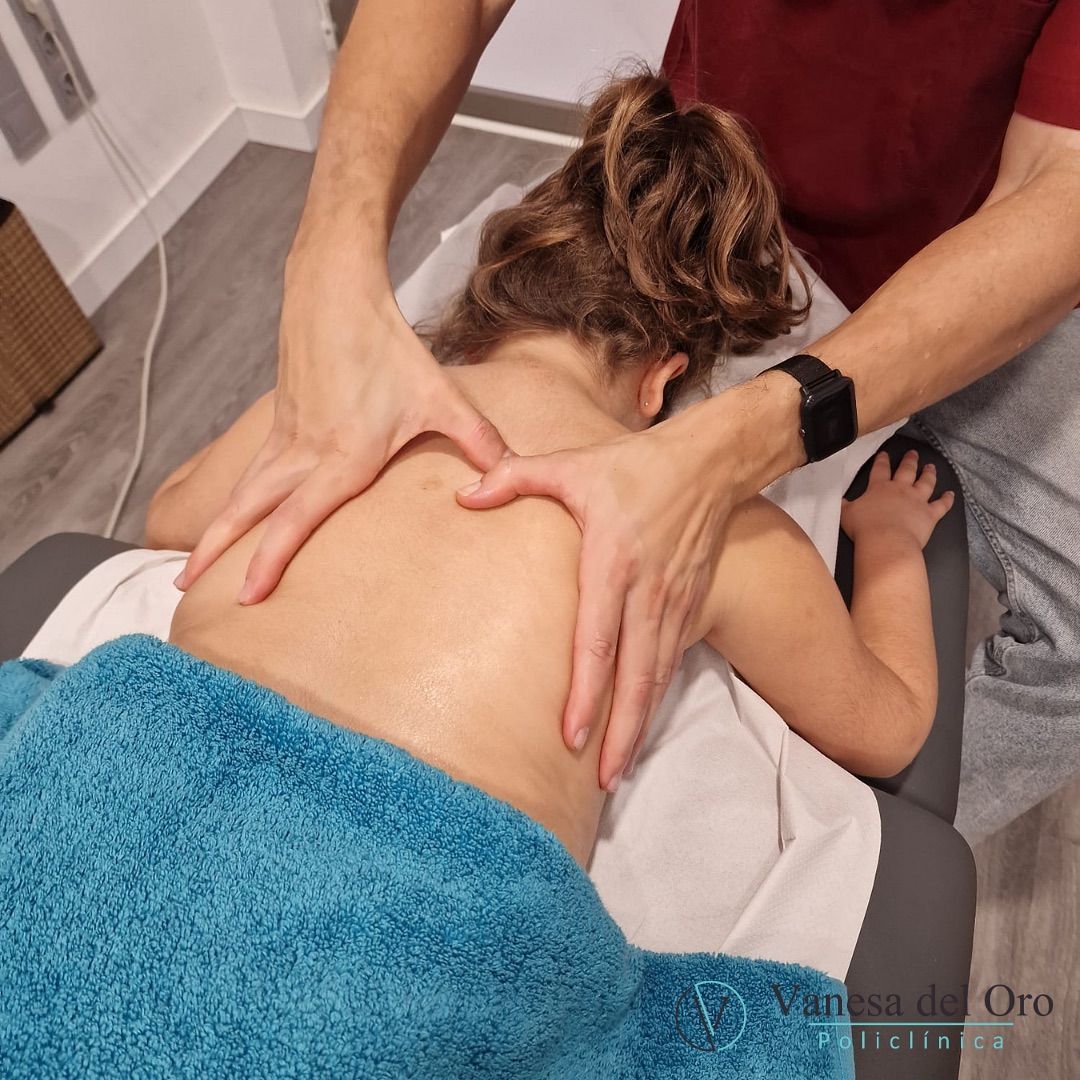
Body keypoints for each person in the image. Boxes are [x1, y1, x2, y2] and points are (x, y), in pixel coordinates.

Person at [174, 1, 1080, 841]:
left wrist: (761, 428)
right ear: (667, 381)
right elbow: (885, 729)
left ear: (478, 306)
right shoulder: (730, 537)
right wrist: (884, 546)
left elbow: (168, 521)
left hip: (990, 228)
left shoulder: (332, 430)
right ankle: (896, 855)